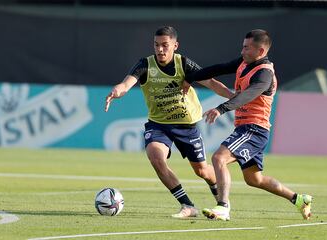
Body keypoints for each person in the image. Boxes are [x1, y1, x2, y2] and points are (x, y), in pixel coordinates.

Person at [105, 26, 234, 218]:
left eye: (165, 45)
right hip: (158, 125)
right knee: (156, 157)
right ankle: (188, 206)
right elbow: (126, 84)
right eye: (156, 45)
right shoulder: (145, 65)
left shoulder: (184, 64)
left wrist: (235, 97)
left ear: (175, 45)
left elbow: (212, 83)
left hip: (187, 126)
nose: (160, 50)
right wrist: (117, 90)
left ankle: (222, 202)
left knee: (203, 171)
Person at [184, 29, 312, 221]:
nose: (242, 51)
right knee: (254, 179)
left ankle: (223, 207)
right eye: (243, 46)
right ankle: (299, 199)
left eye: (246, 47)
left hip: (254, 129)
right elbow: (219, 68)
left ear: (260, 51)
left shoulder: (265, 75)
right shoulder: (245, 62)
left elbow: (247, 95)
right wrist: (190, 77)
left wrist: (221, 109)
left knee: (219, 158)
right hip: (247, 128)